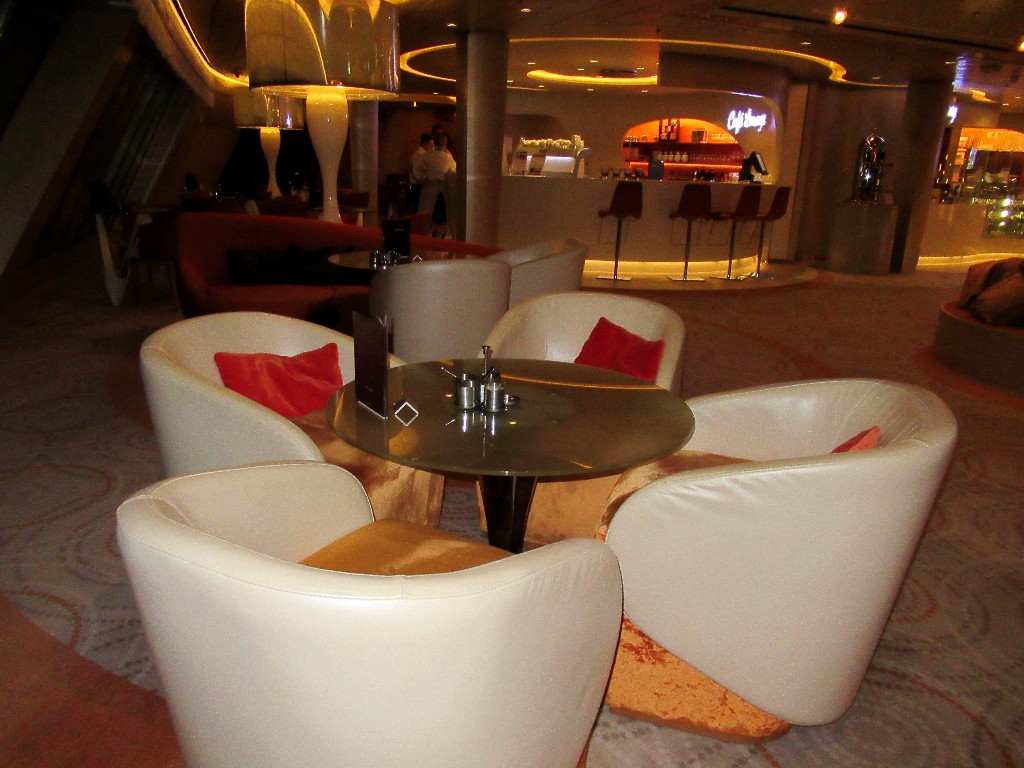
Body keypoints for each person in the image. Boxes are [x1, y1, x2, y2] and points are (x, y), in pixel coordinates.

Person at [419, 130, 457, 237]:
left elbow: (418, 170)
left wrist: (423, 178)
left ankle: (425, 239)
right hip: (443, 191)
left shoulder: (427, 155)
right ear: (445, 143)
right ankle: (438, 239)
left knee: (426, 217)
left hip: (428, 189)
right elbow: (453, 172)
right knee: (440, 218)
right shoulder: (448, 158)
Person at [408, 133, 433, 211]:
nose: (431, 146)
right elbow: (417, 173)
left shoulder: (422, 154)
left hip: (419, 185)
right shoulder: (419, 155)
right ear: (425, 143)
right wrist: (424, 180)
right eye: (430, 144)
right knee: (419, 209)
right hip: (418, 187)